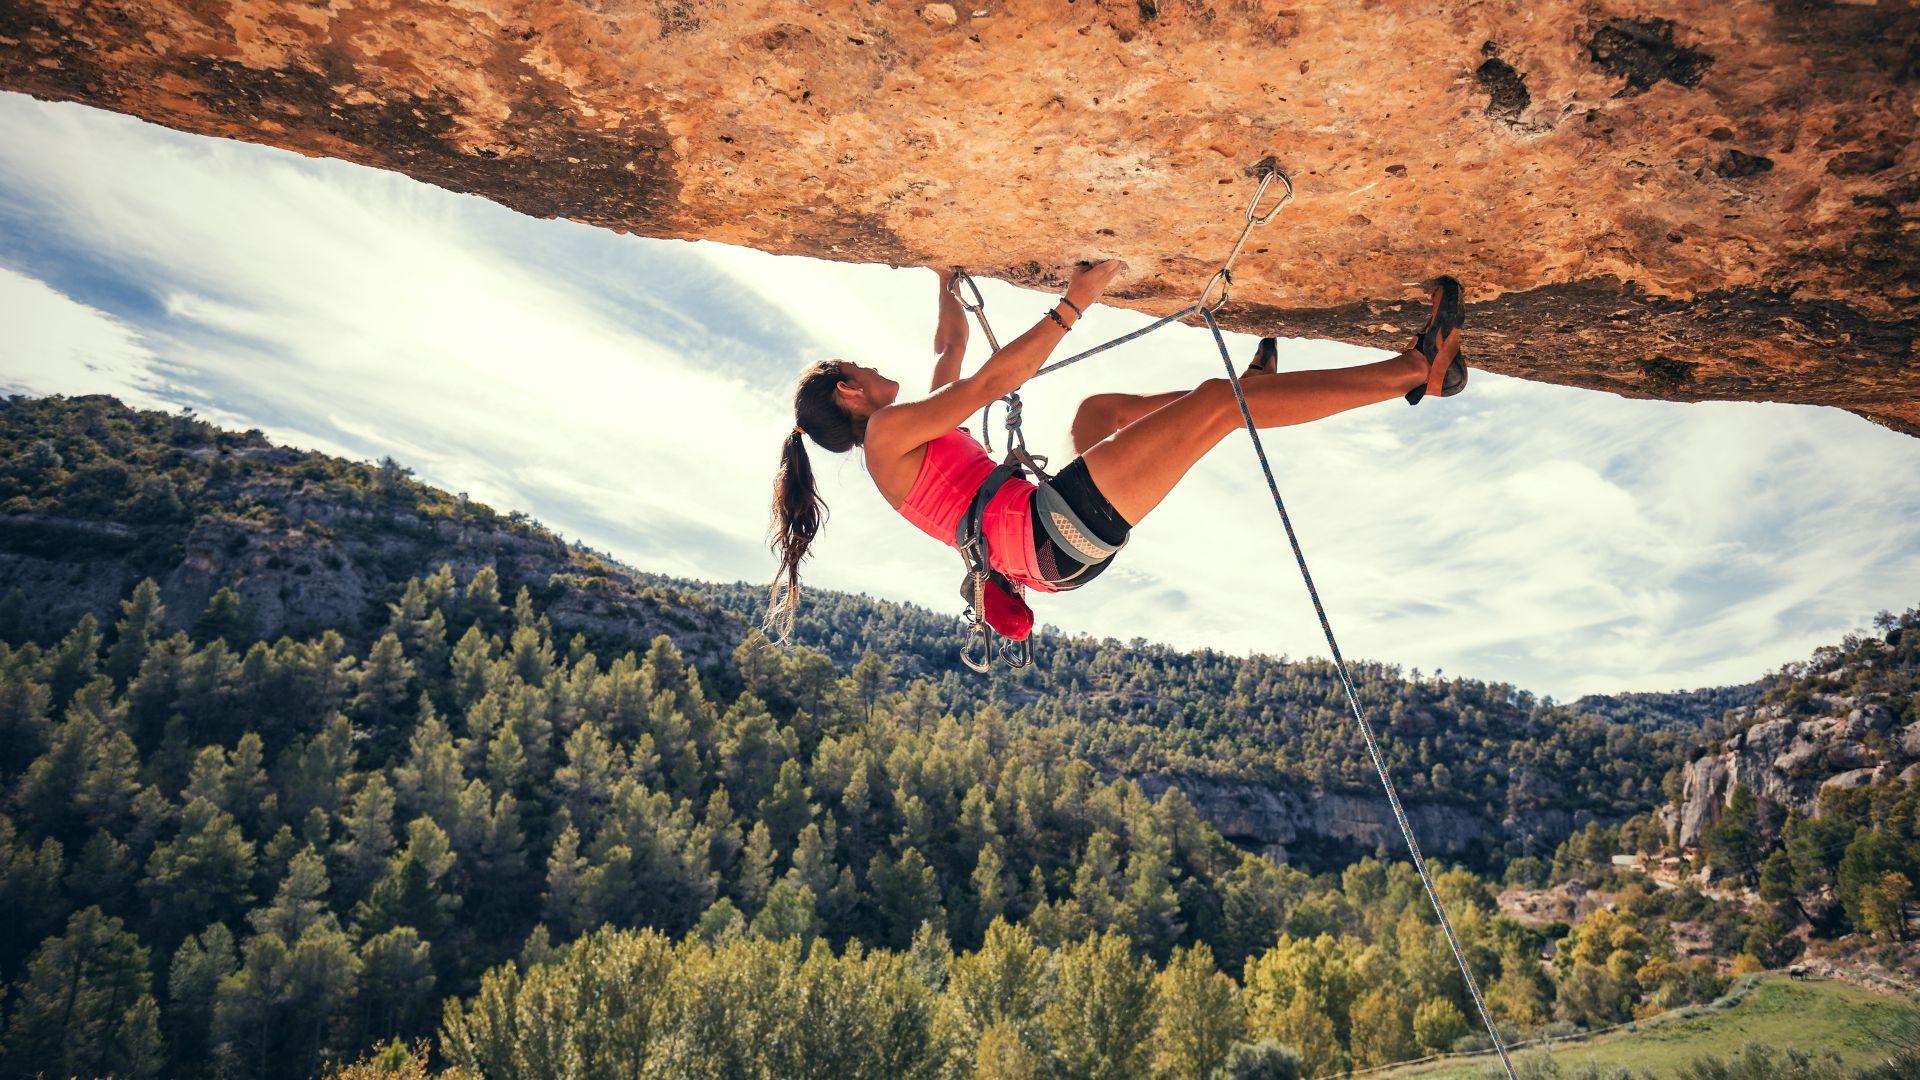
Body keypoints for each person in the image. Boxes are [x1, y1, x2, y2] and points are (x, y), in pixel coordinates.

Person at [767, 260, 1465, 638]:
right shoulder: (889, 434)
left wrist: (945, 278)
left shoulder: (901, 436)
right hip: (1048, 530)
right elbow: (986, 380)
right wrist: (1074, 303)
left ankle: (1250, 390)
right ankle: (1413, 370)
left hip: (1051, 546)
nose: (870, 367)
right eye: (857, 369)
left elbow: (951, 349)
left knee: (1102, 416)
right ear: (849, 394)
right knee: (1220, 410)